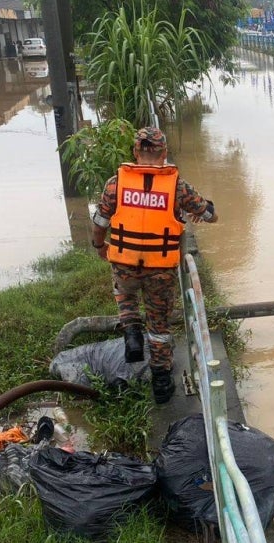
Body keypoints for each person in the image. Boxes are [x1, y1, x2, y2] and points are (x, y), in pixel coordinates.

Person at [90, 126, 218, 404]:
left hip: (124, 264)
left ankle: (132, 331)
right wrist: (202, 207)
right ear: (164, 154)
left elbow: (99, 223)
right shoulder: (177, 186)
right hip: (160, 270)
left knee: (124, 294)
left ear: (136, 152)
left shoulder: (116, 183)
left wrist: (100, 247)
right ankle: (161, 382)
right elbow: (209, 215)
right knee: (159, 326)